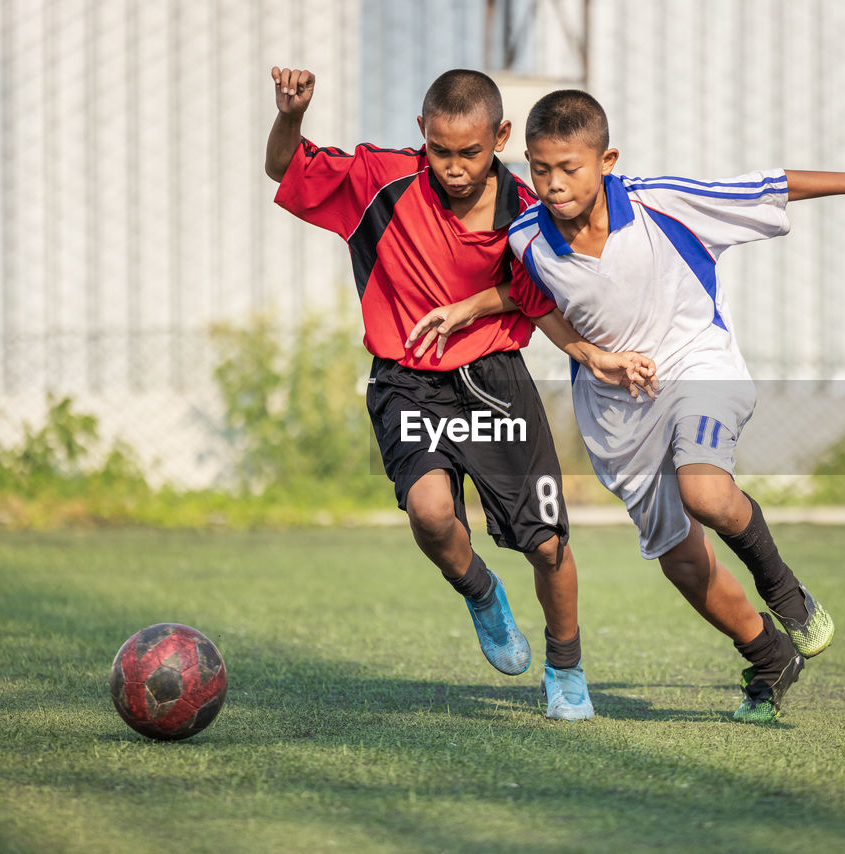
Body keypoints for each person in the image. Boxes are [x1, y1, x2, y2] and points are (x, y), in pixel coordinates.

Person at [408, 89, 845, 723]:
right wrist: (471, 308)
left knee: (707, 494)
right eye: (540, 168)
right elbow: (525, 296)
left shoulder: (660, 202)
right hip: (617, 414)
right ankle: (768, 654)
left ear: (606, 160)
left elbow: (768, 185)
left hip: (698, 367)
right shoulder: (526, 237)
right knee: (680, 559)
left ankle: (786, 593)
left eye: (569, 168)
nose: (552, 185)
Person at [265, 68, 655, 721]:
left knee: (549, 543)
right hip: (407, 382)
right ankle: (479, 590)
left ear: (500, 137)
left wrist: (581, 348)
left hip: (497, 381)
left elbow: (540, 295)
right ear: (422, 134)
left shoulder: (530, 211)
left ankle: (566, 670)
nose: (453, 167)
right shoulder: (378, 180)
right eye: (441, 151)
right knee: (429, 511)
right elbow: (284, 167)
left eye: (470, 152)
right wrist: (291, 116)